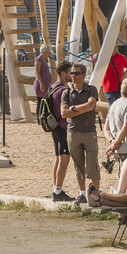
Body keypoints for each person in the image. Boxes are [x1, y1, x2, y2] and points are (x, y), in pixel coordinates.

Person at [61, 62, 102, 206]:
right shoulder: (66, 92)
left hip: (89, 132)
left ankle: (96, 193)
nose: (73, 76)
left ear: (84, 75)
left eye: (76, 73)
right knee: (78, 165)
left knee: (93, 165)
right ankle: (82, 193)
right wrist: (81, 108)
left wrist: (73, 108)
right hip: (73, 132)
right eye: (71, 73)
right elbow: (64, 113)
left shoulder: (91, 89)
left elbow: (91, 105)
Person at [47, 59, 75, 202]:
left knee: (58, 159)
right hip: (63, 128)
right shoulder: (63, 91)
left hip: (55, 127)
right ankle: (58, 191)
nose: (73, 75)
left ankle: (56, 189)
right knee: (64, 160)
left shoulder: (53, 87)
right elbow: (68, 110)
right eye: (71, 72)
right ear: (64, 73)